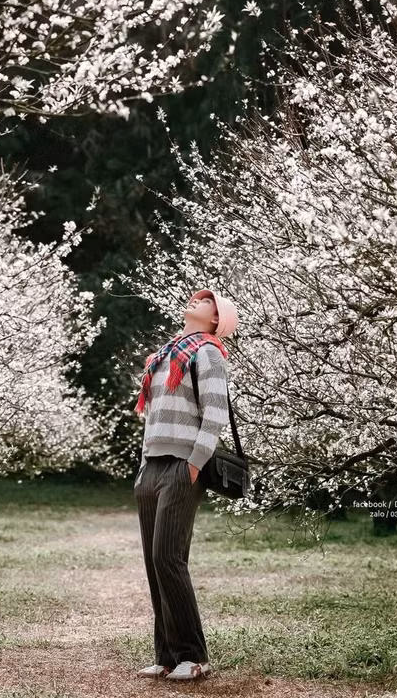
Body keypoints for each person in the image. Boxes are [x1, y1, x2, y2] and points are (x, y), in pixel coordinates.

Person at [132, 288, 238, 682]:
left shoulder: (207, 353)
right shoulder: (164, 355)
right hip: (152, 468)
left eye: (207, 301)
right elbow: (153, 415)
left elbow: (215, 416)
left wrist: (193, 465)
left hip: (182, 467)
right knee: (153, 563)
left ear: (216, 320)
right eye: (197, 298)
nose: (197, 300)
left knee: (168, 559)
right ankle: (165, 656)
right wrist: (144, 465)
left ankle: (194, 657)